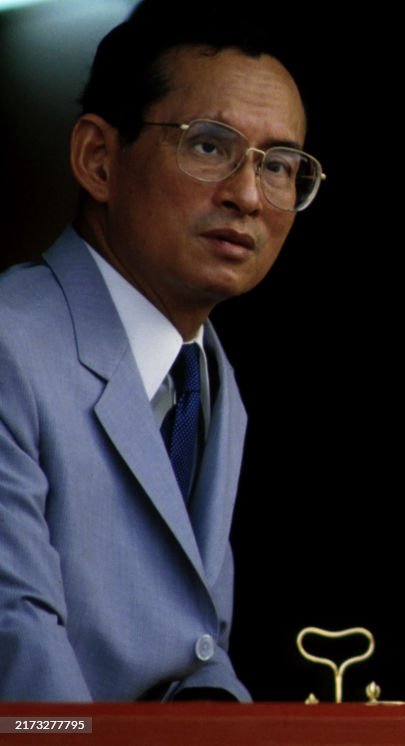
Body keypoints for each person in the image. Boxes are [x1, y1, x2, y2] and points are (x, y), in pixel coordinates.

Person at [0, 2, 324, 701]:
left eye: (281, 165)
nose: (247, 194)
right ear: (98, 159)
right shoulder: (9, 346)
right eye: (209, 145)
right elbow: (18, 656)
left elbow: (196, 647)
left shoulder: (209, 370)